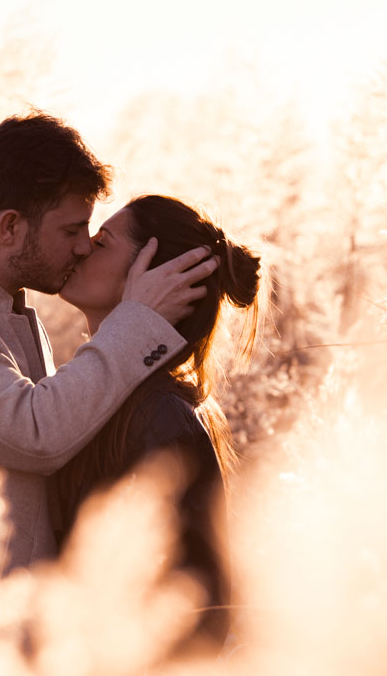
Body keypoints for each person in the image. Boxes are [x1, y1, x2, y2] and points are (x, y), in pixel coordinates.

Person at [0, 113, 220, 570]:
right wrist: (140, 318)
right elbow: (37, 433)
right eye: (72, 230)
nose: (82, 247)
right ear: (10, 227)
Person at [53, 194, 261, 644]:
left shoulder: (160, 417)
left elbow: (198, 603)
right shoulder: (97, 393)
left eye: (102, 241)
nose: (83, 247)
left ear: (152, 276)